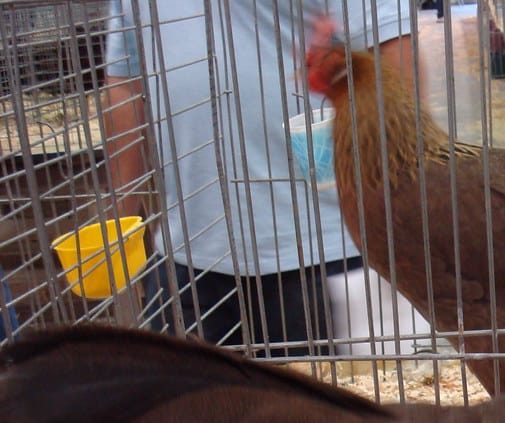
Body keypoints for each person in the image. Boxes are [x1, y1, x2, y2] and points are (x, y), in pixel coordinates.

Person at [103, 0, 426, 358]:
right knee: (187, 408)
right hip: (187, 252)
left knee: (348, 403)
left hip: (332, 246)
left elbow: (394, 53)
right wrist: (120, 225)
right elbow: (125, 85)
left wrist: (403, 213)